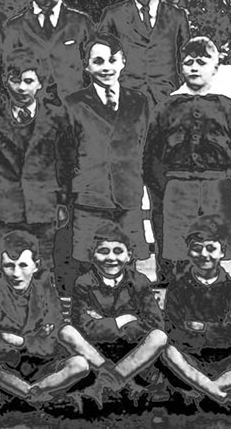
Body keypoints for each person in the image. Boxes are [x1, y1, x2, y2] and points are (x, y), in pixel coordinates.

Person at [144, 37, 231, 284]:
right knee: (179, 250)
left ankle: (212, 294)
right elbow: (151, 155)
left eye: (202, 62)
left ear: (215, 68)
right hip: (177, 188)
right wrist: (168, 187)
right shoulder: (166, 107)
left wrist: (223, 184)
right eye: (189, 62)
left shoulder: (228, 107)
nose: (195, 68)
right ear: (181, 67)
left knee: (212, 246)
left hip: (217, 188)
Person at [61, 33, 149, 296]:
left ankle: (129, 311)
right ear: (86, 66)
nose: (106, 67)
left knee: (127, 264)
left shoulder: (139, 101)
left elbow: (144, 146)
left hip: (127, 196)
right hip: (90, 197)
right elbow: (65, 155)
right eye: (98, 61)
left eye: (112, 60)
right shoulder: (73, 103)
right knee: (88, 263)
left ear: (123, 62)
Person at [0, 49, 75, 280]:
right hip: (4, 206)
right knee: (3, 266)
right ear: (6, 81)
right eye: (15, 81)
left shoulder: (57, 118)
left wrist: (63, 202)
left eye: (28, 81)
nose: (21, 88)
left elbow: (66, 164)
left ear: (40, 83)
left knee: (43, 268)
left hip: (43, 205)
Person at [0, 230, 90, 406]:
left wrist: (21, 341)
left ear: (36, 265)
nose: (16, 273)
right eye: (9, 266)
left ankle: (28, 393)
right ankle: (36, 394)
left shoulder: (47, 293)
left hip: (43, 365)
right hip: (6, 365)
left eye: (23, 265)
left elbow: (52, 340)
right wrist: (35, 338)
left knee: (80, 364)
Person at [160, 216, 231, 407]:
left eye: (210, 248)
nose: (204, 254)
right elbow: (173, 330)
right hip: (191, 358)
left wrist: (201, 328)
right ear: (188, 252)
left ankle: (208, 389)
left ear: (222, 251)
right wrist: (217, 329)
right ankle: (215, 391)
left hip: (227, 359)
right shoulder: (177, 288)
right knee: (169, 353)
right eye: (197, 248)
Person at [63, 222, 167, 405]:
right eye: (103, 251)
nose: (111, 258)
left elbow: (155, 323)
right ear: (92, 255)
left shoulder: (139, 281)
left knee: (159, 337)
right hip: (97, 351)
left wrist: (103, 324)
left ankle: (106, 382)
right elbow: (82, 326)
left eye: (118, 251)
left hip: (133, 348)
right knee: (67, 332)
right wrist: (122, 321)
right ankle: (118, 380)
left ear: (129, 255)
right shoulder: (84, 282)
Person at [96, 0, 191, 106]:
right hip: (125, 100)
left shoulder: (177, 17)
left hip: (167, 100)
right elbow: (100, 59)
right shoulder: (113, 16)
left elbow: (185, 60)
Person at [3, 0, 93, 105]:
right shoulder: (15, 28)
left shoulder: (81, 23)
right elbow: (6, 73)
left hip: (75, 108)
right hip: (34, 110)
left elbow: (94, 69)